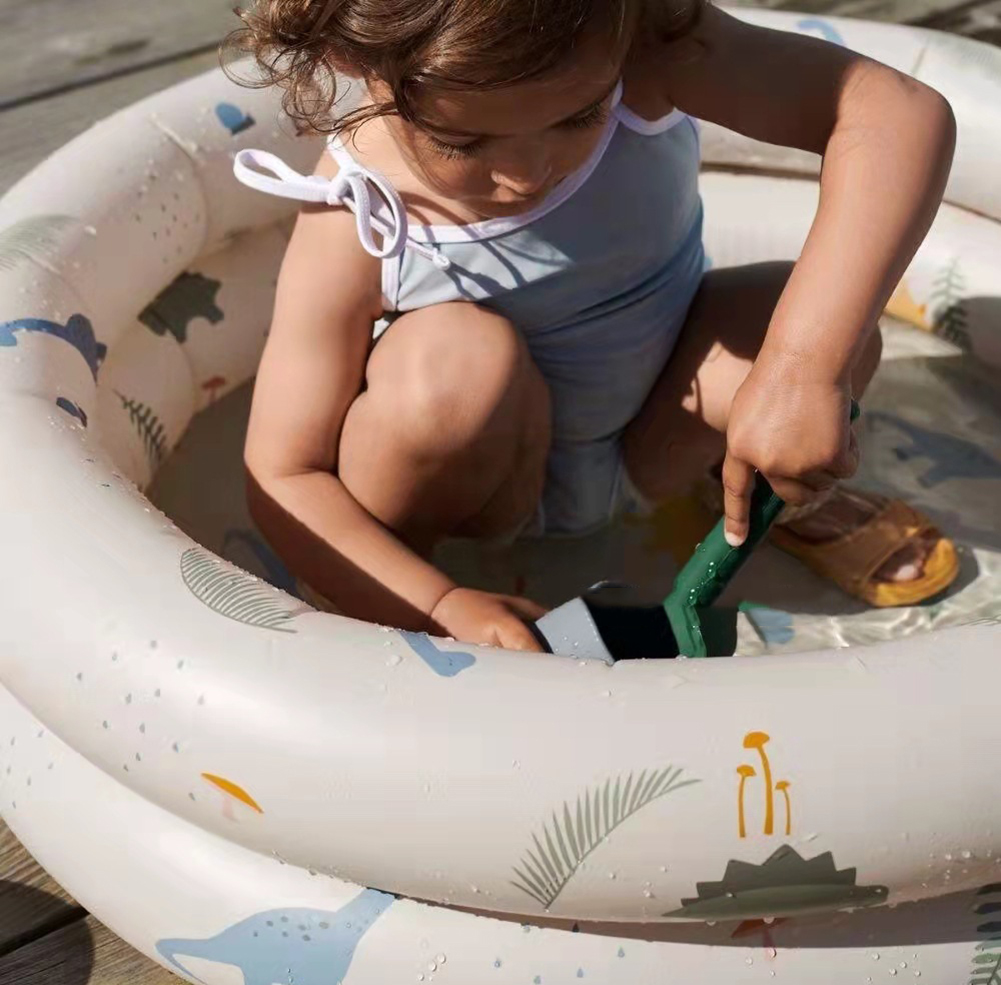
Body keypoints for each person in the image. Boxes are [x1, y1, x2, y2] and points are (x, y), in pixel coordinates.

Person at [226, 0, 959, 652]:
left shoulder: (641, 46)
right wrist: (437, 604)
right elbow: (285, 470)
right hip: (481, 479)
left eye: (578, 116)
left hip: (653, 441)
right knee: (450, 365)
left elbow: (892, 112)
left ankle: (747, 492)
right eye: (465, 142)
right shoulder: (352, 213)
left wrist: (803, 368)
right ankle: (389, 590)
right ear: (349, 56)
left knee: (827, 324)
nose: (526, 171)